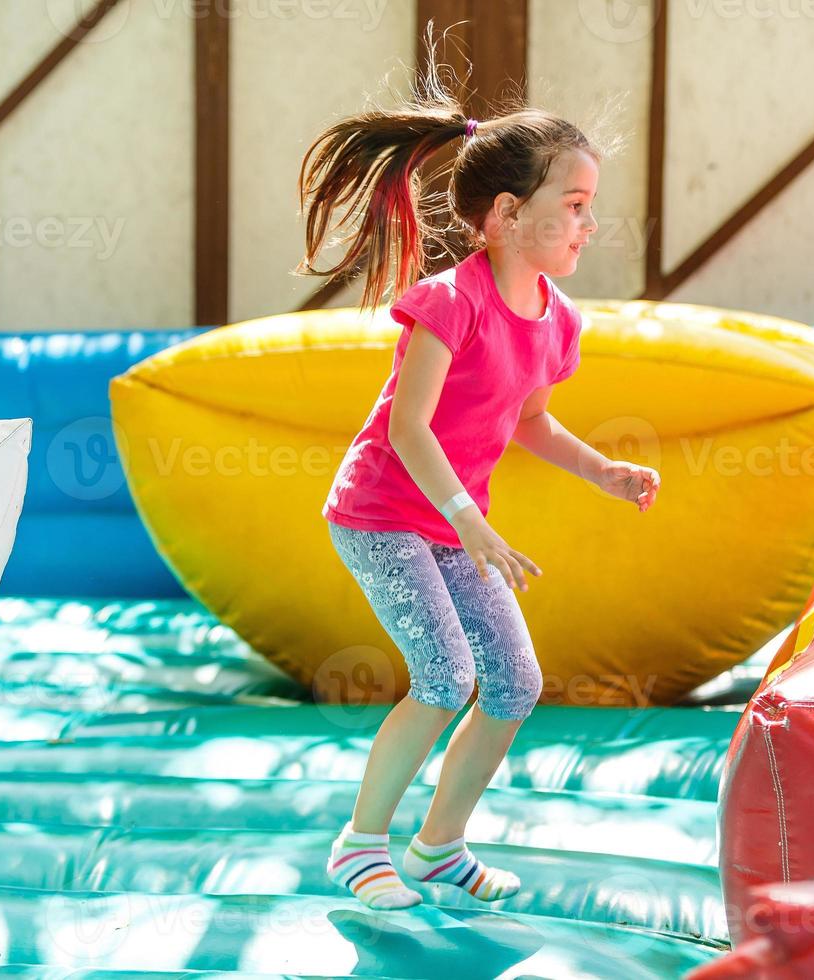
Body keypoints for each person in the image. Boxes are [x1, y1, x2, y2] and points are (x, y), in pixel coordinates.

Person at [294, 28, 660, 911]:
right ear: (502, 216)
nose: (587, 221)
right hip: (384, 513)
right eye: (570, 205)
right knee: (444, 676)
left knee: (514, 681)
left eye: (588, 205)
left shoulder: (556, 318)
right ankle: (360, 844)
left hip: (455, 520)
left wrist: (599, 470)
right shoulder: (447, 305)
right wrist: (468, 519)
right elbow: (410, 430)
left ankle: (437, 846)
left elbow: (529, 418)